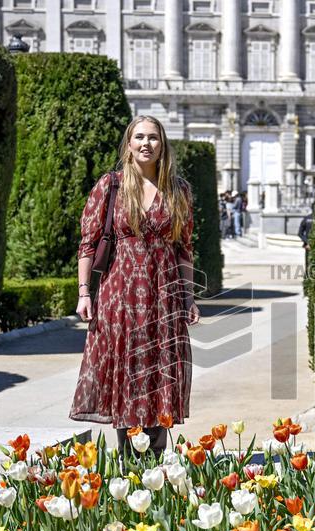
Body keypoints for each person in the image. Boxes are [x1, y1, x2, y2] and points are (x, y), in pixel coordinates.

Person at [70, 115, 200, 459]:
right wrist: (85, 293)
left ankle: (155, 460)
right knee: (126, 371)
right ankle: (129, 460)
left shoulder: (179, 190)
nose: (146, 144)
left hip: (164, 296)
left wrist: (188, 297)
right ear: (129, 144)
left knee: (159, 373)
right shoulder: (111, 186)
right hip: (120, 295)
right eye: (139, 137)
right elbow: (88, 243)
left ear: (163, 145)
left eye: (153, 138)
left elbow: (184, 249)